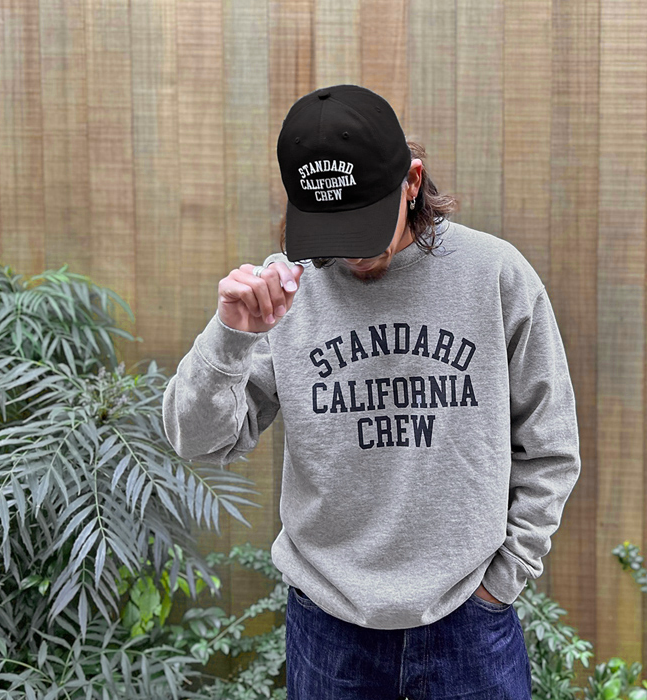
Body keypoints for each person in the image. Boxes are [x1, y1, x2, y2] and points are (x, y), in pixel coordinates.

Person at [162, 84, 581, 700]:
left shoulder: (495, 275)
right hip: (329, 628)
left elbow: (551, 447)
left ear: (412, 182)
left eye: (363, 226)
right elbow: (196, 441)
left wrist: (503, 580)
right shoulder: (284, 293)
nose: (351, 253)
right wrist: (230, 336)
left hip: (469, 623)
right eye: (331, 230)